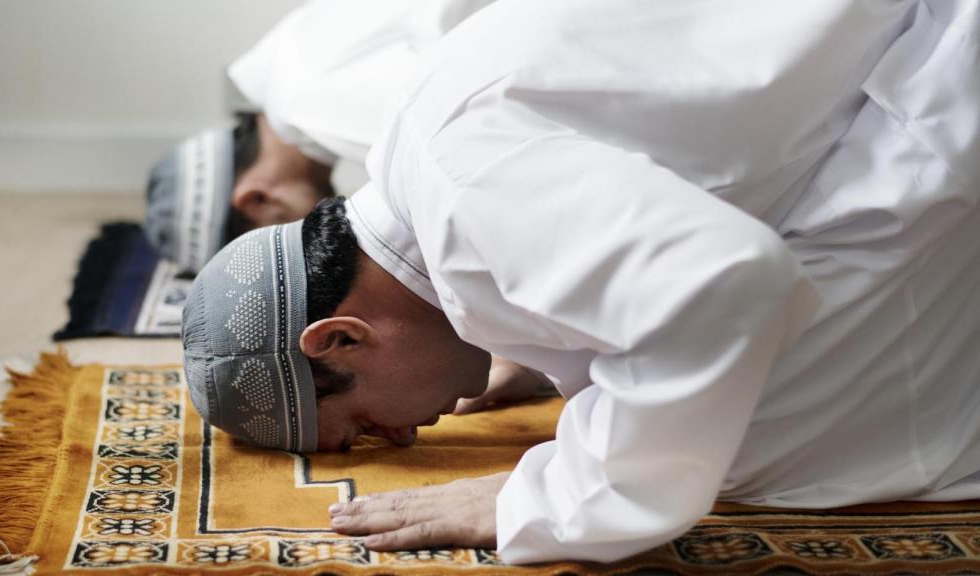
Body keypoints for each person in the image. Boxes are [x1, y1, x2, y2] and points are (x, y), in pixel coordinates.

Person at [181, 0, 980, 565]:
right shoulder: (412, 160)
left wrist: (554, 496)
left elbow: (727, 282)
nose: (401, 441)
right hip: (884, 73)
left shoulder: (462, 199)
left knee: (743, 451)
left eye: (357, 426)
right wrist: (540, 350)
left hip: (938, 58)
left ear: (341, 338)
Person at [144, 0, 494, 273]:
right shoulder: (285, 60)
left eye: (290, 237)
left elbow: (482, 160)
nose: (316, 236)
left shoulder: (315, 108)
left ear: (256, 200)